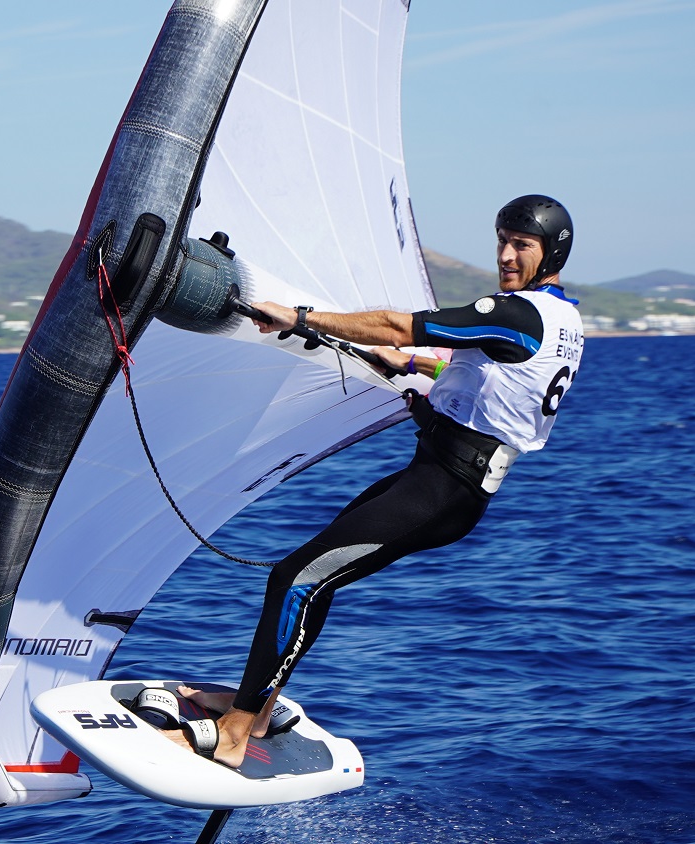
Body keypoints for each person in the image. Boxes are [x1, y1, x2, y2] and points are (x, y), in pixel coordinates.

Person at [166, 194, 586, 768]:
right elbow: (493, 373)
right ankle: (257, 707)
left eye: (522, 246)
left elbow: (395, 325)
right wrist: (413, 366)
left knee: (296, 578)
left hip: (444, 488)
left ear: (551, 252)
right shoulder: (562, 320)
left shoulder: (519, 313)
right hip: (442, 477)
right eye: (502, 241)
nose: (507, 255)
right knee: (314, 575)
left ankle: (237, 731)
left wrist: (300, 317)